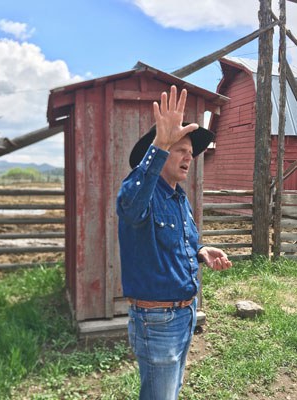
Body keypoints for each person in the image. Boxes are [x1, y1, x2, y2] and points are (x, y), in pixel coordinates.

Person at [116, 85, 232, 400]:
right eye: (179, 150)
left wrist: (201, 251)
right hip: (157, 321)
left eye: (190, 153)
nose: (189, 157)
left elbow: (175, 246)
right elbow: (128, 201)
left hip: (184, 314)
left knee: (170, 392)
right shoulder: (141, 194)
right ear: (159, 155)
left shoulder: (179, 199)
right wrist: (160, 144)